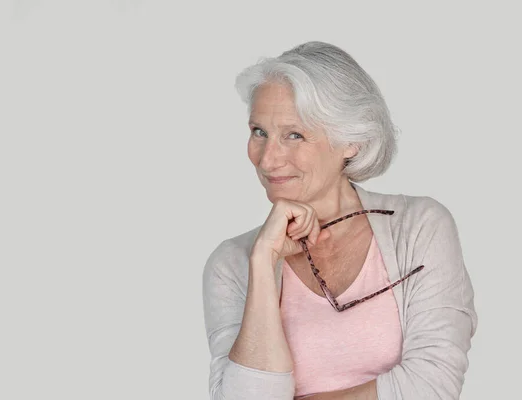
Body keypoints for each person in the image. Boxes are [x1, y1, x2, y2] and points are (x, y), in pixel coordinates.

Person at [201, 41, 477, 400]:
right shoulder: (233, 263)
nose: (267, 160)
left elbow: (432, 387)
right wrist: (263, 261)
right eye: (259, 132)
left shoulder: (419, 227)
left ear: (352, 141)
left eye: (294, 135)